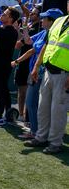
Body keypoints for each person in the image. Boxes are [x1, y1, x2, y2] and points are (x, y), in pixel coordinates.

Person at [11, 8, 64, 139]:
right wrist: (24, 30)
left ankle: (36, 132)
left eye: (45, 18)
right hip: (37, 73)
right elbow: (29, 42)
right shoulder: (44, 33)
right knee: (36, 104)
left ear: (52, 21)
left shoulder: (52, 35)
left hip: (41, 74)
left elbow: (33, 50)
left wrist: (18, 61)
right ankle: (39, 131)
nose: (42, 20)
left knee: (32, 102)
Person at [24, 4, 69, 154]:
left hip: (64, 74)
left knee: (58, 111)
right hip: (48, 72)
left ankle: (55, 142)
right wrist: (36, 66)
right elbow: (46, 45)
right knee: (43, 107)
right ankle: (41, 137)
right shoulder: (59, 21)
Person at [14, 6, 42, 121]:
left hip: (30, 62)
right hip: (23, 59)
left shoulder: (39, 29)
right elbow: (22, 42)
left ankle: (26, 117)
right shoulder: (29, 25)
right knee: (21, 88)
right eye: (31, 12)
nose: (31, 14)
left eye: (34, 13)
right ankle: (22, 115)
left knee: (26, 91)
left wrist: (20, 31)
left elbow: (24, 43)